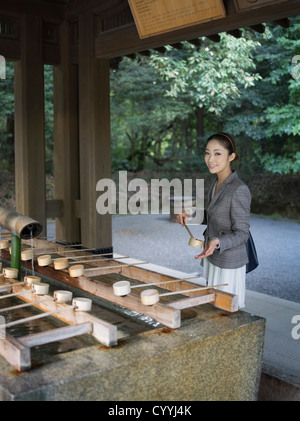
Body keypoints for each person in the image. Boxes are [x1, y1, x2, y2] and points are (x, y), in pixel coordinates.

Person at [177, 132, 251, 308]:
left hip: (229, 263)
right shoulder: (216, 182)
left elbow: (242, 234)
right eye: (207, 152)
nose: (210, 159)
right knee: (213, 307)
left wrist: (217, 241)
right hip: (213, 256)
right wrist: (191, 214)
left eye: (217, 153)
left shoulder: (239, 189)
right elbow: (214, 214)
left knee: (225, 310)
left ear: (231, 156)